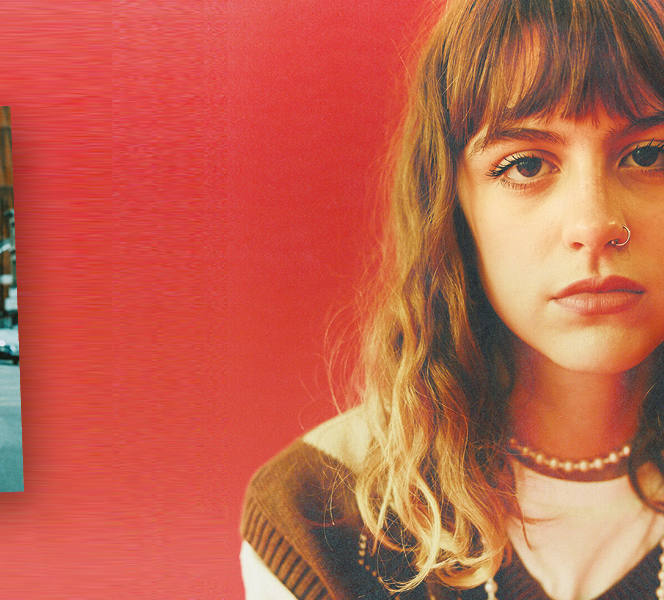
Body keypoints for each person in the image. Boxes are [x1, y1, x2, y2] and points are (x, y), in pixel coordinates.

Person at [240, 0, 664, 598]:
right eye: (525, 164)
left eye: (648, 155)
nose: (595, 222)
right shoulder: (322, 515)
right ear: (453, 208)